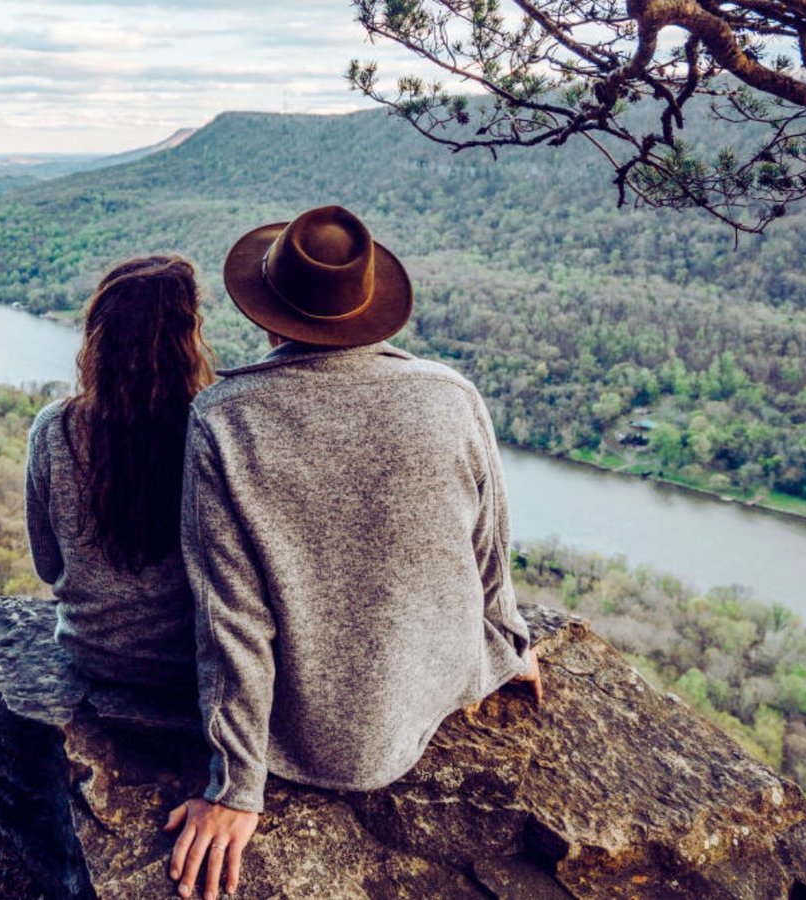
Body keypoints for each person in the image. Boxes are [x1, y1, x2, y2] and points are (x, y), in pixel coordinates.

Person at [163, 206, 542, 900]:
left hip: (308, 738)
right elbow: (490, 549)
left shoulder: (224, 420)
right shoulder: (453, 397)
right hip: (439, 687)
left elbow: (233, 621)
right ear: (369, 308)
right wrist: (510, 642)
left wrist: (236, 788)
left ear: (267, 313)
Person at [24, 255, 215, 688]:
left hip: (92, 652)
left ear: (99, 335)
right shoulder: (213, 427)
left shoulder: (54, 429)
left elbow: (47, 564)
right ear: (186, 337)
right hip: (191, 660)